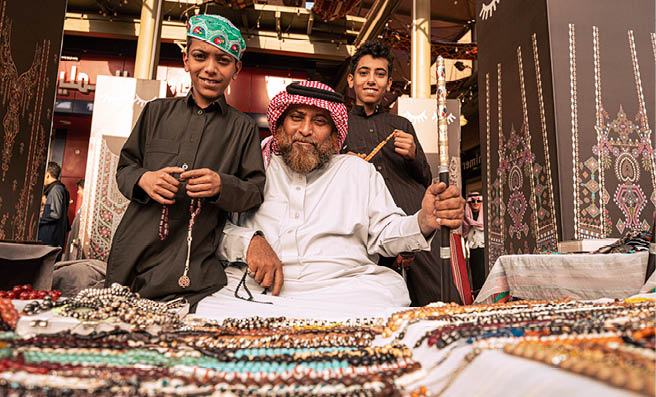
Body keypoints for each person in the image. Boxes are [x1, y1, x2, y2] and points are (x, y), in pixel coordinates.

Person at [197, 81, 464, 314]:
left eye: (320, 122)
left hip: (345, 291)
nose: (305, 129)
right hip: (259, 291)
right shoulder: (254, 164)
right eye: (297, 118)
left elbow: (386, 233)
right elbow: (210, 227)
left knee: (387, 297)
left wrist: (423, 221)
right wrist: (248, 242)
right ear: (280, 125)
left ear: (335, 133)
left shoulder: (357, 171)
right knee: (208, 308)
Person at [105, 14, 266, 309]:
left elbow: (254, 190)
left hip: (193, 259)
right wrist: (144, 179)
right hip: (136, 249)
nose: (210, 68)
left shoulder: (243, 128)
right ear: (185, 60)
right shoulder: (156, 112)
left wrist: (222, 185)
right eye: (200, 57)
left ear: (236, 69)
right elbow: (126, 169)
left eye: (223, 60)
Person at [342, 39, 459, 306]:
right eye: (364, 72)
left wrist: (413, 155)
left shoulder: (401, 123)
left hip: (415, 221)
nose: (371, 80)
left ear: (389, 84)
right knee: (379, 304)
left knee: (439, 299)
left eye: (379, 74)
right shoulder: (340, 126)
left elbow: (426, 178)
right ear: (351, 80)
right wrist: (344, 162)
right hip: (368, 231)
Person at [38, 162, 70, 261]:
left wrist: (38, 220)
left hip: (51, 236)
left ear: (47, 175)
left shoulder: (56, 189)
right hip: (52, 235)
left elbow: (55, 214)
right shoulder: (57, 188)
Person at [463, 192, 485, 292]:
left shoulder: (486, 217)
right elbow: (465, 233)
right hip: (472, 249)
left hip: (485, 248)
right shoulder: (466, 219)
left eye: (478, 201)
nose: (475, 203)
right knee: (475, 274)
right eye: (473, 201)